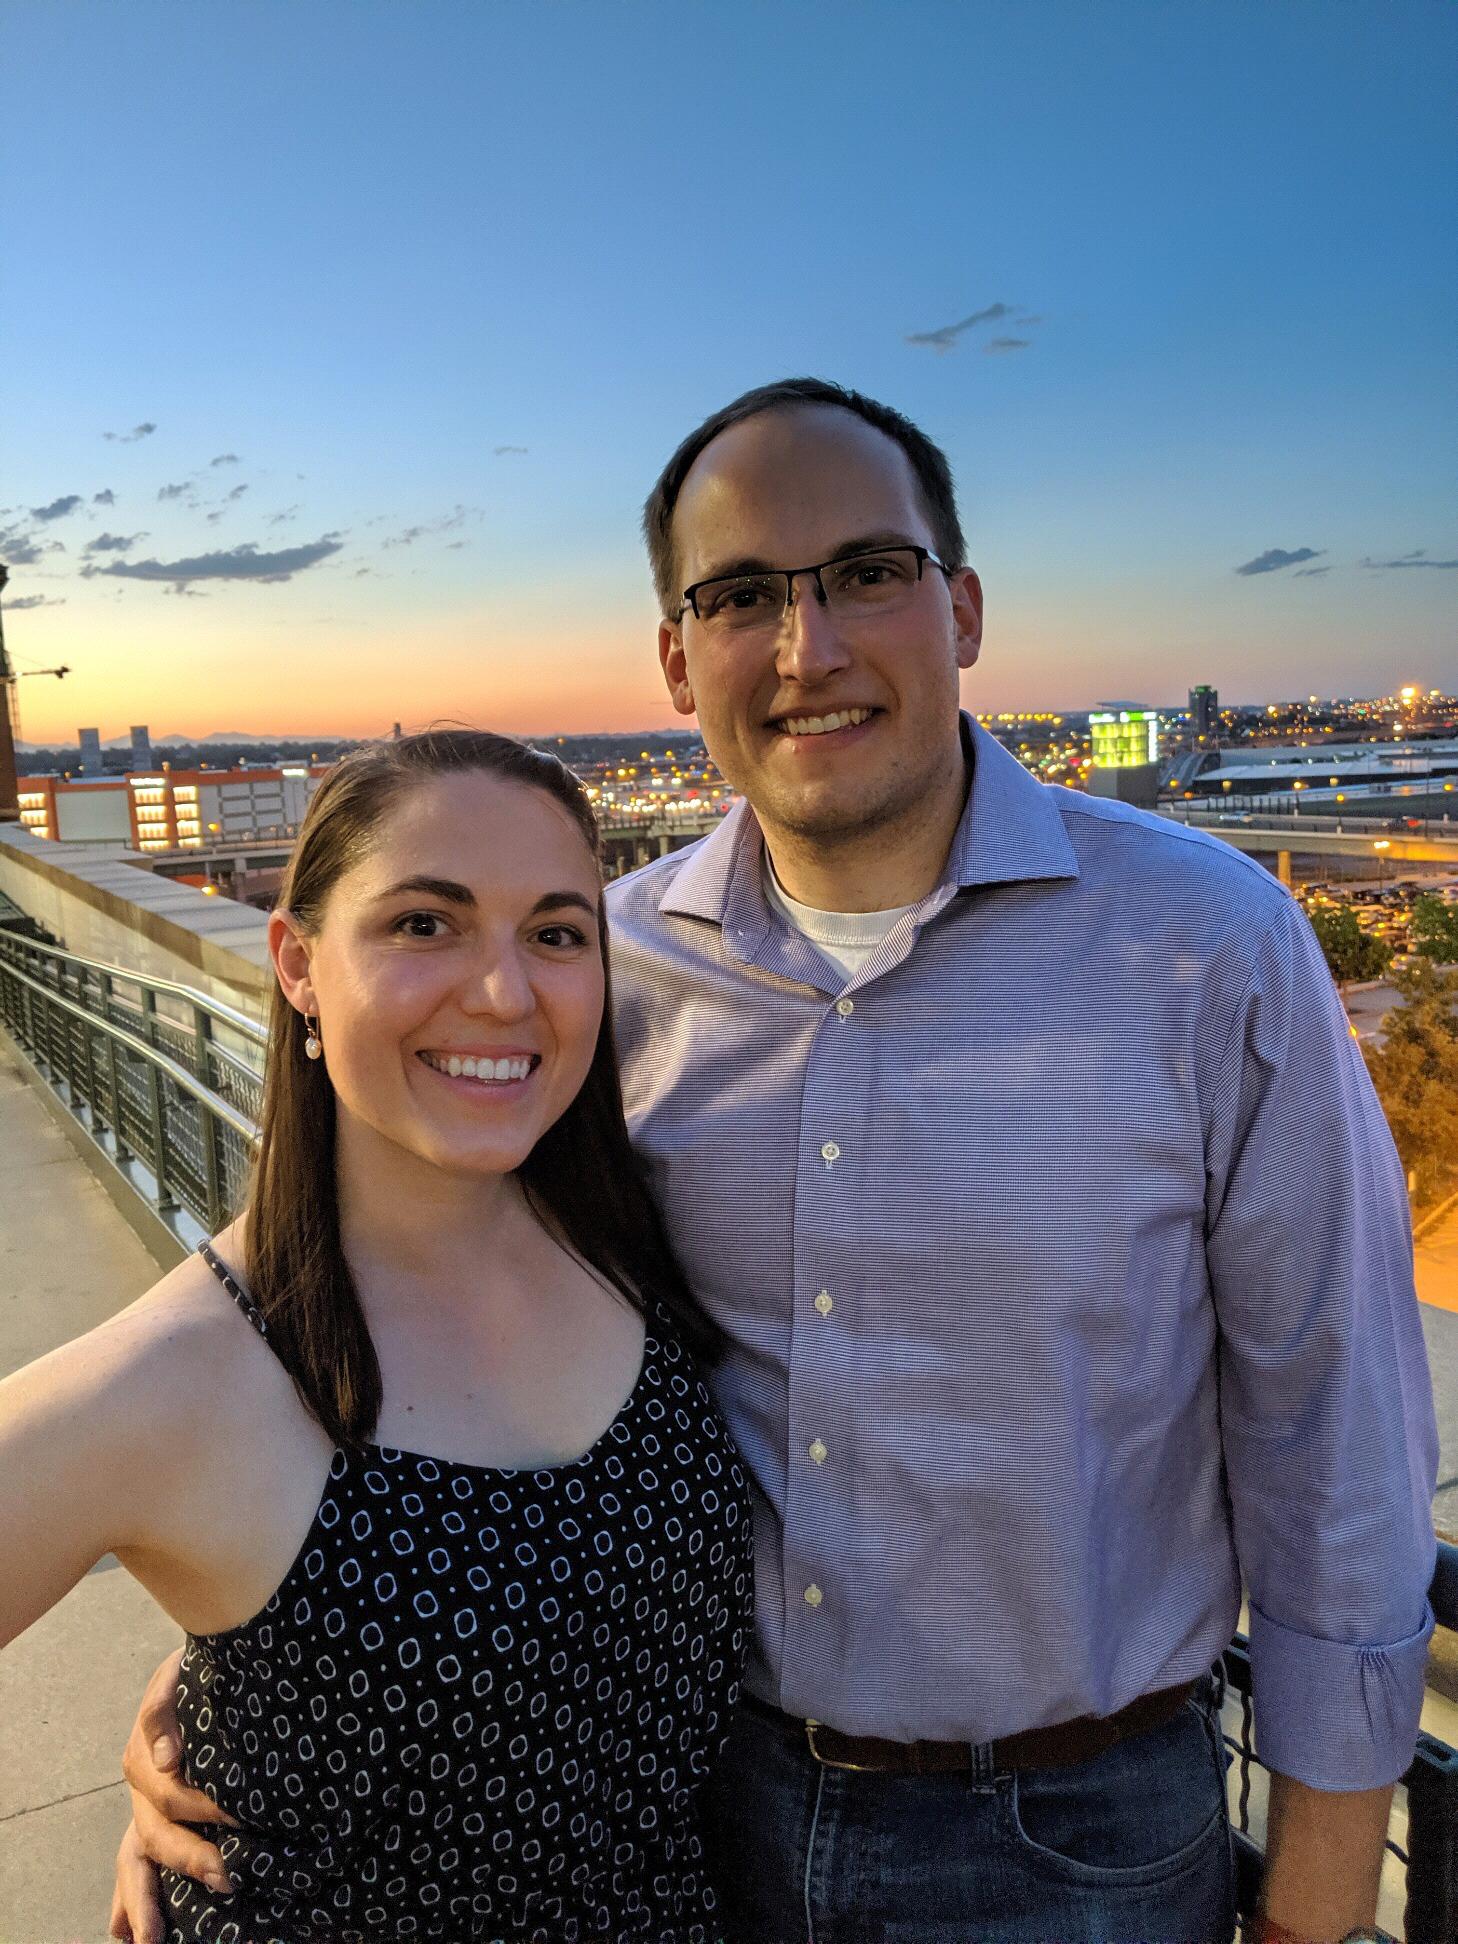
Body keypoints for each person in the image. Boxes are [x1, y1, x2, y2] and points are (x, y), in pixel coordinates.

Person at [116, 380, 1436, 1944]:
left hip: (1074, 1842)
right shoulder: (584, 969)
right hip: (686, 1816)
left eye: (865, 573)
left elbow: (1333, 1438)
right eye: (742, 596)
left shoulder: (1209, 946)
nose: (807, 649)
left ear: (961, 608)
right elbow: (412, 1297)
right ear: (679, 659)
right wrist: (252, 1670)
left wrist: (1320, 1905)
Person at [1, 729, 752, 1944]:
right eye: (423, 924)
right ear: (296, 964)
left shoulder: (631, 1242)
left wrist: (243, 1692)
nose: (505, 992)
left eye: (557, 933)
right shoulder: (185, 1373)